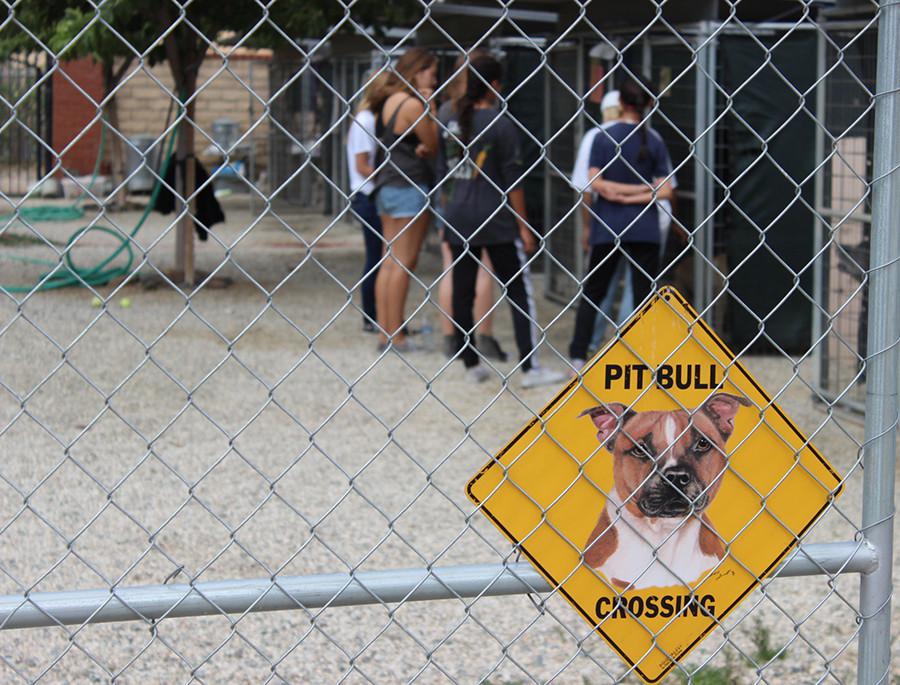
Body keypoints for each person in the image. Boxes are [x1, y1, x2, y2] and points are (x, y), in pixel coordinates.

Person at [442, 55, 565, 388]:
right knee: (518, 292)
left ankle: (470, 361)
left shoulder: (448, 117)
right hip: (494, 218)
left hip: (457, 214)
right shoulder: (501, 123)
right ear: (495, 85)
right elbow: (514, 182)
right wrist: (524, 226)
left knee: (462, 289)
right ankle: (530, 366)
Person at [568, 76, 676, 371]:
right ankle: (641, 357)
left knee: (595, 292)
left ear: (621, 103)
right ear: (647, 104)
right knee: (643, 295)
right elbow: (664, 189)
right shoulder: (653, 139)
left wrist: (620, 194)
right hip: (645, 227)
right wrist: (643, 193)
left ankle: (579, 353)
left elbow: (596, 183)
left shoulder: (603, 136)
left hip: (609, 224)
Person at [436, 50, 507, 362]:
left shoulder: (446, 110)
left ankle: (452, 335)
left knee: (451, 267)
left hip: (451, 199)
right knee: (484, 269)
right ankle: (484, 333)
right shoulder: (487, 113)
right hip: (483, 202)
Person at [371, 48, 439, 351]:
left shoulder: (388, 102)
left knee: (389, 261)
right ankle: (396, 334)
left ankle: (385, 331)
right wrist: (431, 106)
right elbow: (433, 141)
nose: (434, 79)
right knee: (404, 261)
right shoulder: (413, 104)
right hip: (409, 187)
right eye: (432, 73)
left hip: (387, 185)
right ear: (418, 71)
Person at [347, 71, 389, 332]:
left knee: (381, 256)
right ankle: (371, 316)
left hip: (372, 193)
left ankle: (380, 315)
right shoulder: (365, 120)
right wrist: (390, 177)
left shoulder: (371, 119)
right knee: (376, 256)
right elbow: (362, 165)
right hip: (367, 195)